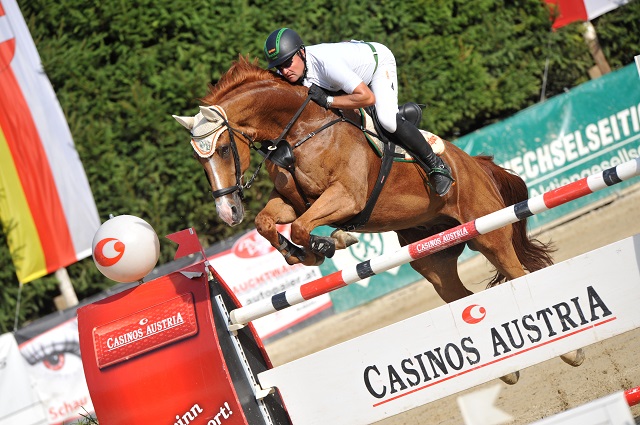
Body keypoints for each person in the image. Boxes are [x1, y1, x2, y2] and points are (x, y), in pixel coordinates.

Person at [263, 27, 454, 196]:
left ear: (302, 53)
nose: (285, 71)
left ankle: (436, 165)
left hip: (378, 63)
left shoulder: (327, 63)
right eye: (279, 67)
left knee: (387, 120)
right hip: (348, 68)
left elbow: (367, 97)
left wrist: (329, 100)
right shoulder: (298, 71)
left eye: (288, 63)